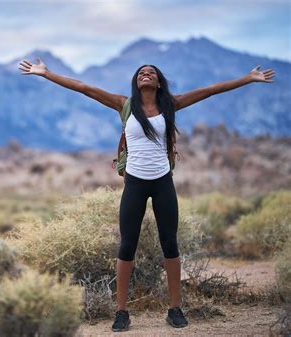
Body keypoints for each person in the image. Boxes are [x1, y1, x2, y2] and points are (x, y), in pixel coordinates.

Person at [18, 58, 275, 331]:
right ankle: (121, 312)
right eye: (141, 72)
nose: (146, 74)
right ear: (136, 81)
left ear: (158, 81)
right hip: (135, 185)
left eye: (151, 72)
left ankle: (175, 308)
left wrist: (247, 79)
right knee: (127, 245)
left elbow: (210, 90)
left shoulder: (170, 106)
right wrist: (46, 74)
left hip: (163, 182)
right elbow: (83, 87)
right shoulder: (124, 105)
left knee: (170, 244)